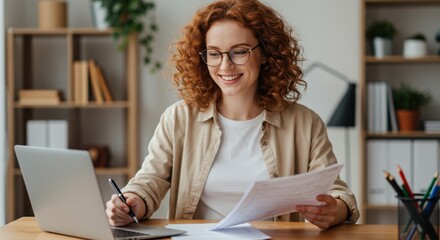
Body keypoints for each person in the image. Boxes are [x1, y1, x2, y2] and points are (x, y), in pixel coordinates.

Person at [106, 0, 359, 229]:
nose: (225, 66)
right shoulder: (178, 119)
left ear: (264, 53)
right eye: (214, 54)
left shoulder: (305, 123)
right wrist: (133, 201)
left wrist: (335, 210)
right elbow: (150, 179)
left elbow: (337, 192)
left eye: (239, 52)